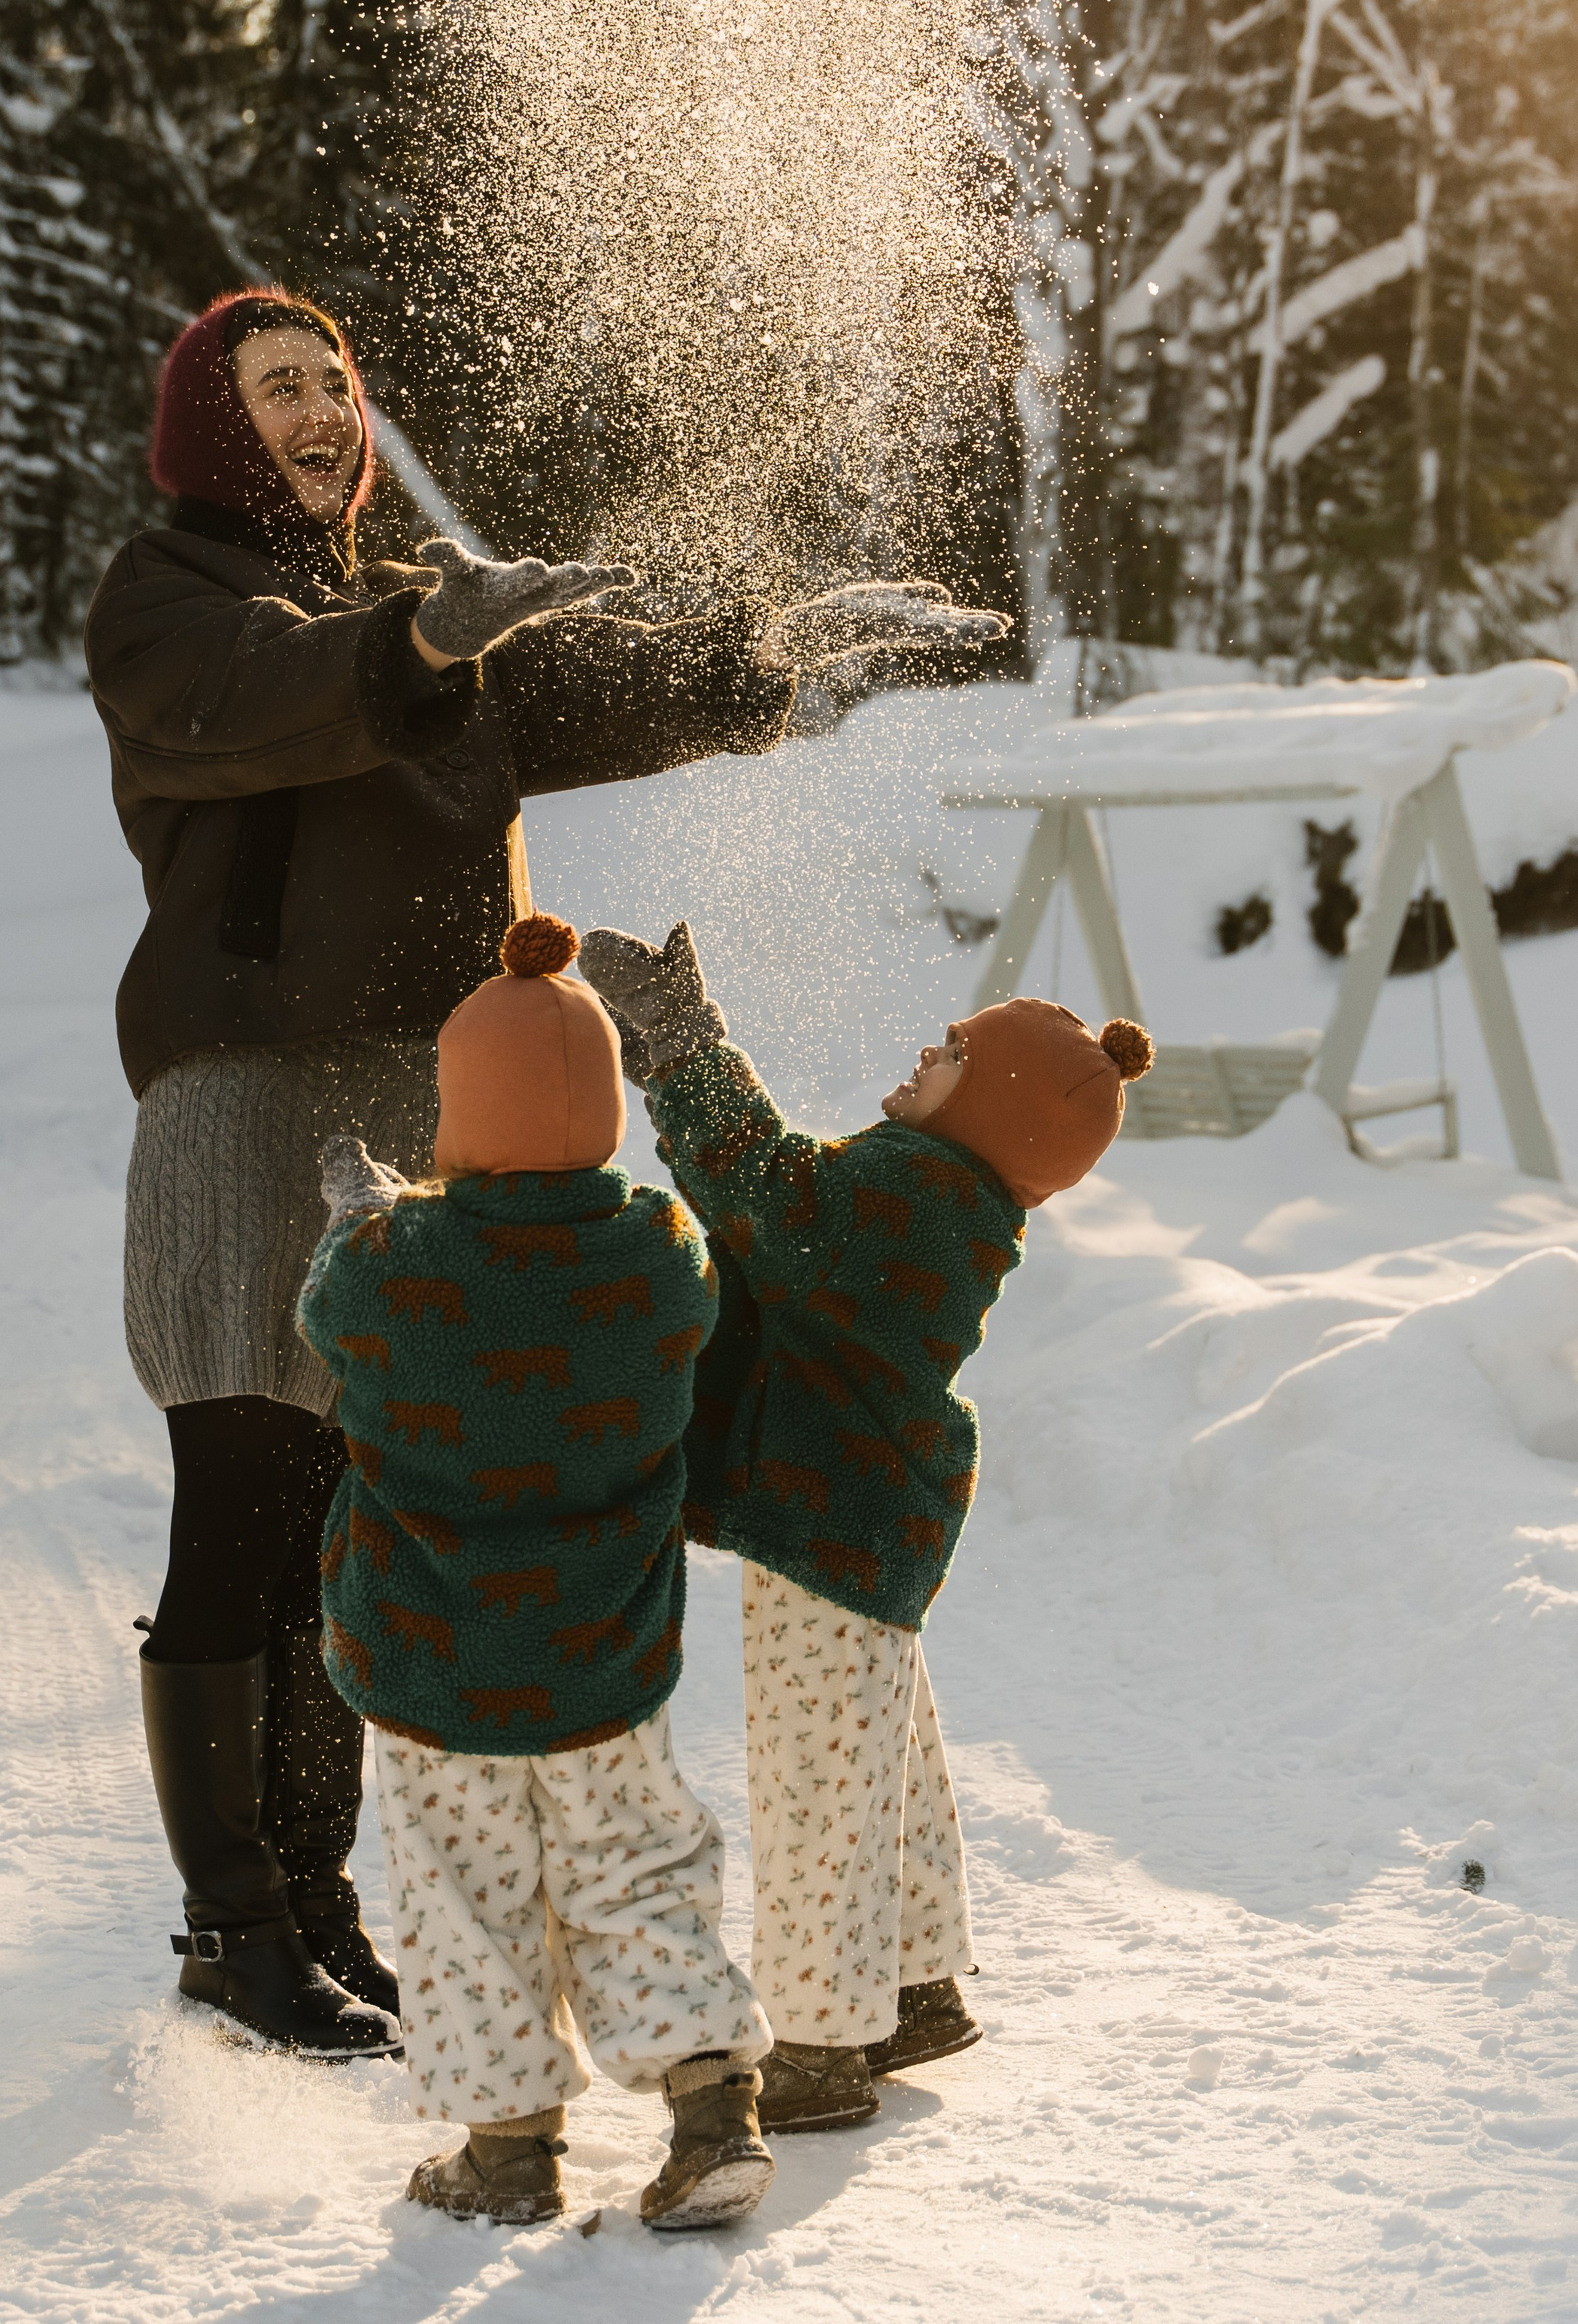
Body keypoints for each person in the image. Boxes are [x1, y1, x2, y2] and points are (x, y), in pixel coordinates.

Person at [83, 285, 1001, 2057]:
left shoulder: (390, 602)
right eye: (276, 387)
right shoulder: (170, 603)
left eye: (335, 379)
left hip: (420, 1089)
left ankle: (325, 1896)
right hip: (246, 1096)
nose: (318, 408)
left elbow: (563, 691)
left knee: (358, 1510)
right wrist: (422, 643)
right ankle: (231, 1925)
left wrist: (775, 661)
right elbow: (265, 701)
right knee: (244, 1509)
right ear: (213, 425)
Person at [576, 919, 1153, 2133]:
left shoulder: (916, 1196)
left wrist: (687, 1044)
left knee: (816, 1778)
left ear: (993, 1106)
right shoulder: (931, 1191)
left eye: (953, 1051)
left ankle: (828, 2044)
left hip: (835, 1523)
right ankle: (917, 1977)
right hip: (861, 1518)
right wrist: (678, 1059)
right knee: (883, 1742)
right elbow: (775, 1209)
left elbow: (774, 1197)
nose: (925, 1053)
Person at [299, 913, 775, 2234]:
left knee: (461, 1893)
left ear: (458, 1118)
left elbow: (331, 1310)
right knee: (634, 1863)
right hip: (601, 1658)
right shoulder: (659, 1253)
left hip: (432, 1659)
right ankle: (710, 2110)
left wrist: (366, 1215)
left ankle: (506, 2152)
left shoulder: (398, 1268)